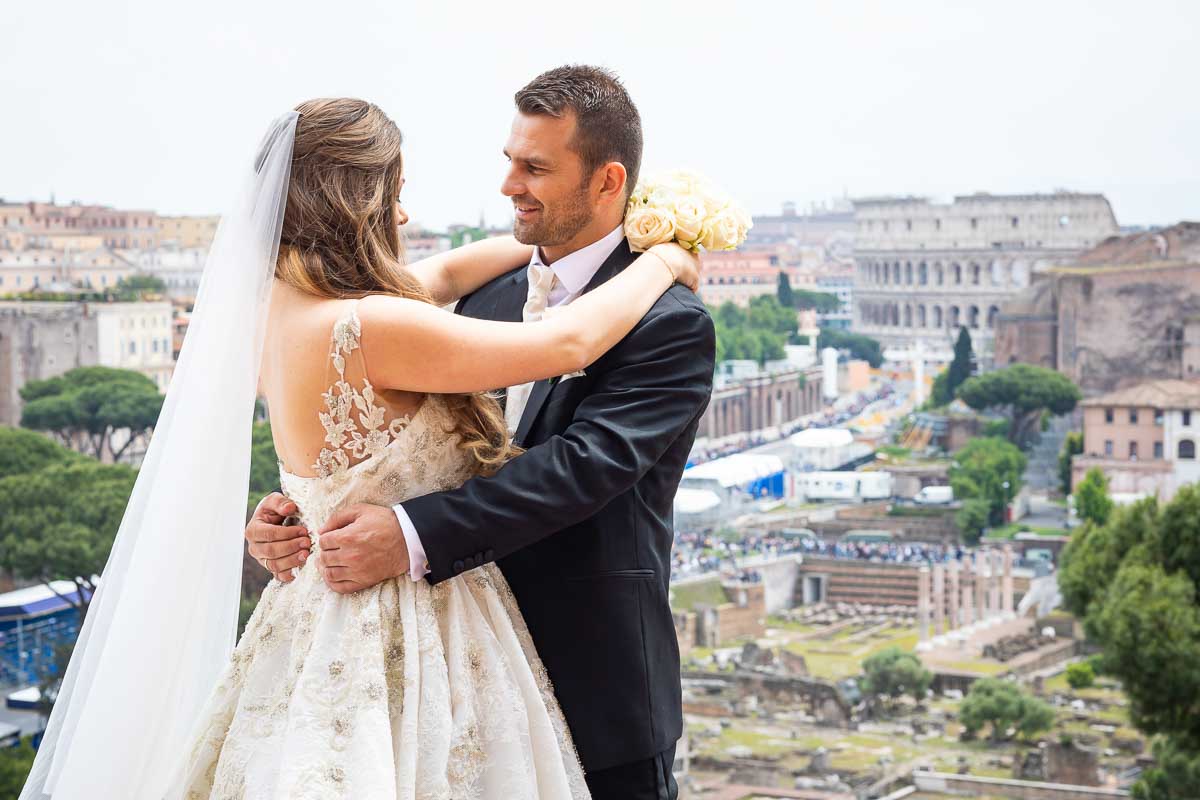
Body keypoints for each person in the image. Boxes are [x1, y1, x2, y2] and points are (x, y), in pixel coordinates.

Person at [20, 92, 700, 799]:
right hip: (413, 637)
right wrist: (663, 261)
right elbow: (566, 343)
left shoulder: (282, 306)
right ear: (359, 202)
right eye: (396, 196)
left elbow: (449, 284)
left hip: (346, 631)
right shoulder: (374, 326)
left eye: (532, 167)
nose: (405, 217)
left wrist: (303, 514)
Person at [248, 65, 716, 800]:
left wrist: (404, 531)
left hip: (593, 685)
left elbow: (579, 469)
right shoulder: (458, 302)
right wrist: (299, 511)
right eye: (509, 161)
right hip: (427, 687)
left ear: (607, 181)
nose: (508, 185)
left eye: (534, 167)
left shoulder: (671, 325)